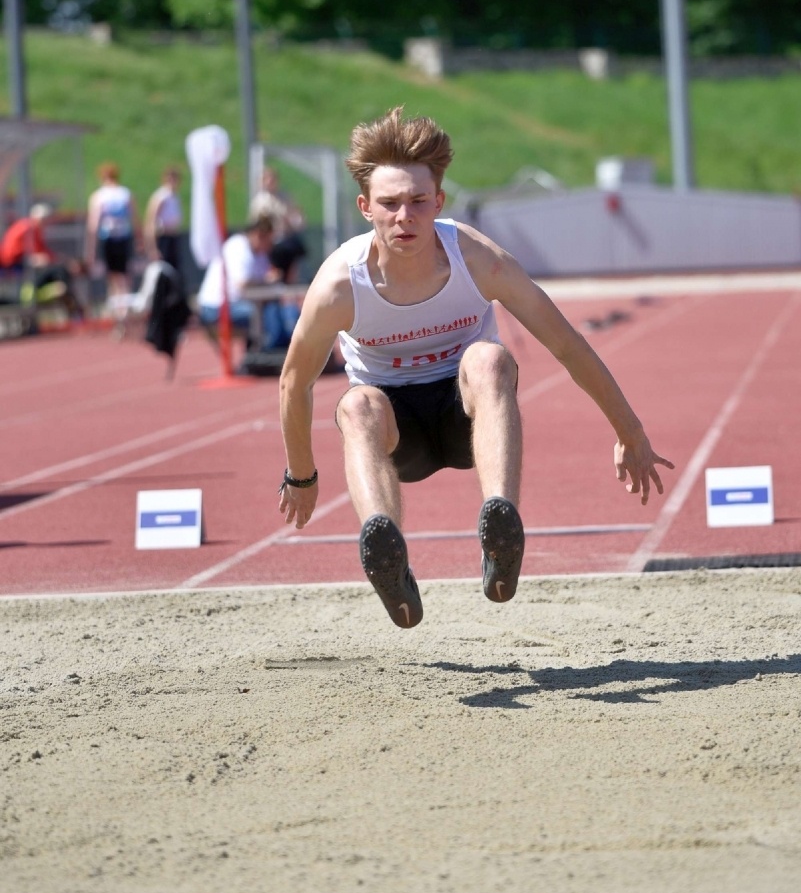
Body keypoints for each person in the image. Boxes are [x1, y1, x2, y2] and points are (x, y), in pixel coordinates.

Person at [277, 106, 674, 629]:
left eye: (418, 202)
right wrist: (301, 475)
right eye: (390, 204)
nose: (405, 217)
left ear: (438, 202)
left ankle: (500, 525)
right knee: (356, 404)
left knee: (490, 358)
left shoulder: (478, 260)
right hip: (398, 432)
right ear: (365, 207)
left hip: (467, 417)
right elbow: (294, 380)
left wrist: (630, 430)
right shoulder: (339, 286)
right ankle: (386, 552)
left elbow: (567, 344)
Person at [196, 216, 298, 350]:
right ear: (259, 235)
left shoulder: (260, 254)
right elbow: (243, 283)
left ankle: (273, 347)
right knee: (260, 314)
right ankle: (259, 353)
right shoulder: (238, 246)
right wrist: (266, 281)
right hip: (215, 307)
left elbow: (266, 279)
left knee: (277, 310)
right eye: (269, 239)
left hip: (238, 303)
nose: (271, 245)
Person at [0, 203, 84, 316]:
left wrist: (62, 260)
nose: (47, 224)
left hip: (22, 263)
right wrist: (39, 259)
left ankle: (64, 292)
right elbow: (12, 254)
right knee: (57, 270)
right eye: (46, 220)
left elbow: (43, 252)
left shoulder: (33, 229)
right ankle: (62, 291)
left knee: (59, 268)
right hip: (14, 264)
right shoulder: (27, 228)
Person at [84, 162, 140, 298]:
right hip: (123, 237)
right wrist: (139, 239)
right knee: (125, 274)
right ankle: (124, 301)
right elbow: (135, 220)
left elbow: (93, 225)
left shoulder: (99, 196)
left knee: (112, 275)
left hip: (108, 237)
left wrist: (91, 249)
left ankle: (118, 302)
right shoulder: (125, 194)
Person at [249, 165, 307, 283]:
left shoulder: (285, 197)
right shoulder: (260, 201)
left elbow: (296, 219)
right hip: (270, 242)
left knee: (296, 248)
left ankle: (292, 281)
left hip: (286, 238)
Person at [143, 166, 183, 269]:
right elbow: (151, 220)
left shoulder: (175, 197)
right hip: (162, 237)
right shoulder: (161, 196)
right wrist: (153, 248)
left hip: (173, 236)